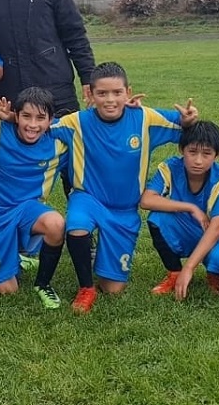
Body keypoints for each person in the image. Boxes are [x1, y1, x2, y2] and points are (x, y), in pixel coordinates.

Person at [49, 62, 198, 313]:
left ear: (128, 92)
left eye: (117, 93)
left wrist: (189, 119)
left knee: (113, 288)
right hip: (89, 198)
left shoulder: (145, 118)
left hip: (124, 209)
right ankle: (86, 288)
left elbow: (184, 124)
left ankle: (103, 265)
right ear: (89, 95)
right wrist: (10, 119)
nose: (110, 100)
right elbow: (37, 128)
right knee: (76, 225)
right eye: (102, 93)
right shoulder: (75, 122)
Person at [0, 87, 69, 309]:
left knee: (56, 224)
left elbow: (90, 127)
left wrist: (130, 109)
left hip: (26, 209)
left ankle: (43, 284)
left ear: (51, 120)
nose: (33, 125)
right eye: (26, 116)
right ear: (16, 115)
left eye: (40, 118)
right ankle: (13, 257)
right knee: (9, 291)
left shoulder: (59, 143)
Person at [140, 121, 219, 300]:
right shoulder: (170, 167)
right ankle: (174, 274)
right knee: (157, 218)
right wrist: (191, 207)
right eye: (192, 152)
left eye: (206, 154)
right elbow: (146, 200)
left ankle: (214, 273)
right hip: (192, 225)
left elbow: (218, 228)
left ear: (217, 155)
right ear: (182, 150)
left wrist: (189, 268)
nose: (198, 160)